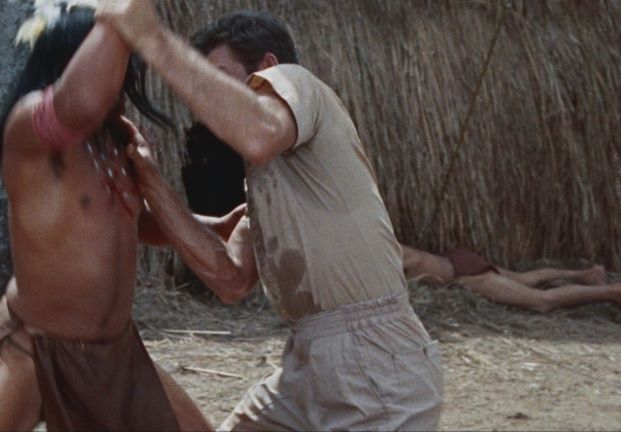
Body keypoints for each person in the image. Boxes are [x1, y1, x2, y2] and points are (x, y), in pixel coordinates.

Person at [99, 2, 444, 430]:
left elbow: (259, 134)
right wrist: (148, 181)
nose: (206, 99)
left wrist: (152, 39)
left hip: (376, 361)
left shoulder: (295, 81)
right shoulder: (266, 186)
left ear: (266, 66)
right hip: (307, 361)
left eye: (219, 75)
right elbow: (230, 280)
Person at [0, 3, 225, 430]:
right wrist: (121, 14)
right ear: (72, 58)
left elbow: (129, 223)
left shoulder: (114, 138)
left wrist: (218, 226)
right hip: (34, 349)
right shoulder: (29, 126)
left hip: (117, 354)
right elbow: (81, 101)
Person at [401, 245, 621, 316]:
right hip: (457, 261)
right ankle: (585, 275)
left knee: (541, 301)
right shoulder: (389, 243)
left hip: (468, 276)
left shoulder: (391, 254)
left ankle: (615, 291)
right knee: (526, 279)